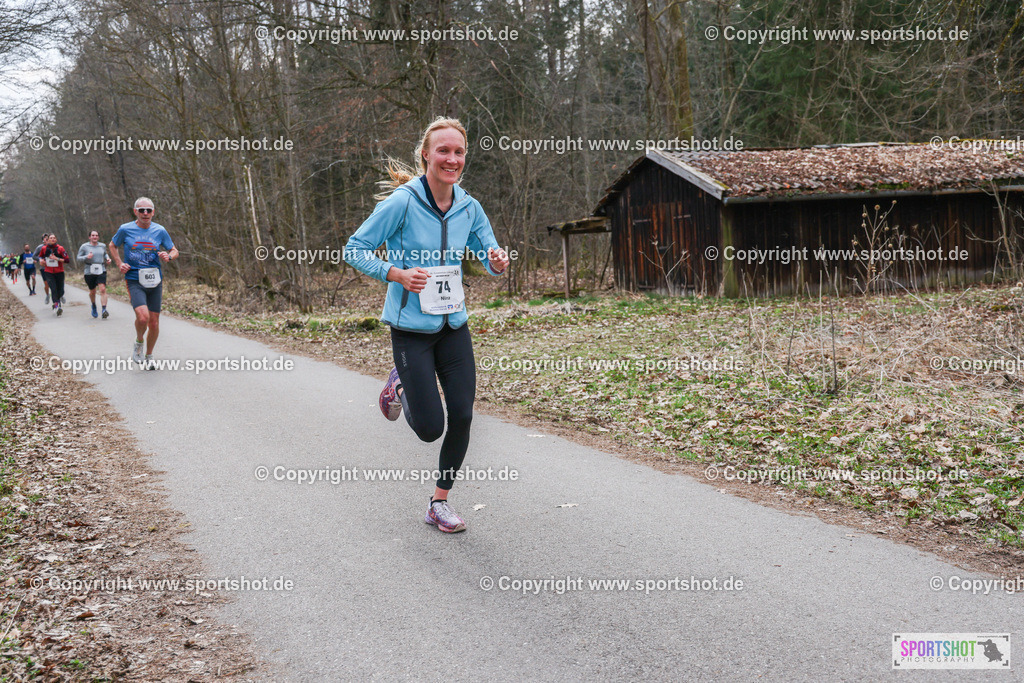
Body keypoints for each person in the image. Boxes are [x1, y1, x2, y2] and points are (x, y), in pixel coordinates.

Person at [344, 117, 509, 534]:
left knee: (464, 415)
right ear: (426, 155)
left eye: (458, 152)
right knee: (430, 429)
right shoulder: (402, 202)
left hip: (454, 324)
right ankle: (398, 383)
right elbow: (355, 249)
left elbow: (486, 250)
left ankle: (440, 503)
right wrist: (395, 274)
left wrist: (495, 262)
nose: (451, 159)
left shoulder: (469, 206)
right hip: (411, 329)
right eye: (443, 151)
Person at [109, 197, 178, 369]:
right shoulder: (125, 229)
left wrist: (168, 256)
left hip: (155, 279)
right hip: (134, 278)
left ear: (153, 212)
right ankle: (139, 342)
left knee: (154, 322)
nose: (145, 213)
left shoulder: (160, 230)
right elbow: (112, 245)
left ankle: (149, 356)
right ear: (135, 212)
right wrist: (119, 263)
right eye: (141, 210)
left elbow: (174, 250)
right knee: (143, 317)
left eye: (148, 210)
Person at [78, 231, 111, 318]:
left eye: (96, 235)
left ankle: (104, 309)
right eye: (93, 235)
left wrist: (108, 258)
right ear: (89, 237)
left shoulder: (102, 245)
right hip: (89, 271)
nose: (95, 237)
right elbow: (78, 258)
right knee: (93, 292)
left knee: (103, 289)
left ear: (98, 237)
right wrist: (86, 257)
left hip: (101, 269)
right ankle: (93, 305)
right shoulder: (84, 247)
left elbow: (105, 254)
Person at [39, 235, 71, 316]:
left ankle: (57, 302)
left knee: (61, 290)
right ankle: (57, 306)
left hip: (59, 271)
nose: (53, 239)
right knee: (53, 289)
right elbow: (40, 257)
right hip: (48, 272)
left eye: (54, 238)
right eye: (51, 238)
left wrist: (57, 259)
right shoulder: (44, 248)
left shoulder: (60, 248)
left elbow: (67, 260)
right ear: (48, 240)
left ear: (56, 239)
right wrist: (41, 261)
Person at [35, 235, 51, 303]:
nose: (47, 239)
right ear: (43, 240)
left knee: (54, 284)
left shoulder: (53, 246)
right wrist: (40, 259)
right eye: (45, 238)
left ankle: (59, 296)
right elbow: (34, 256)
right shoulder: (40, 247)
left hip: (52, 267)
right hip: (43, 268)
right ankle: (47, 295)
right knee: (46, 284)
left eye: (48, 238)